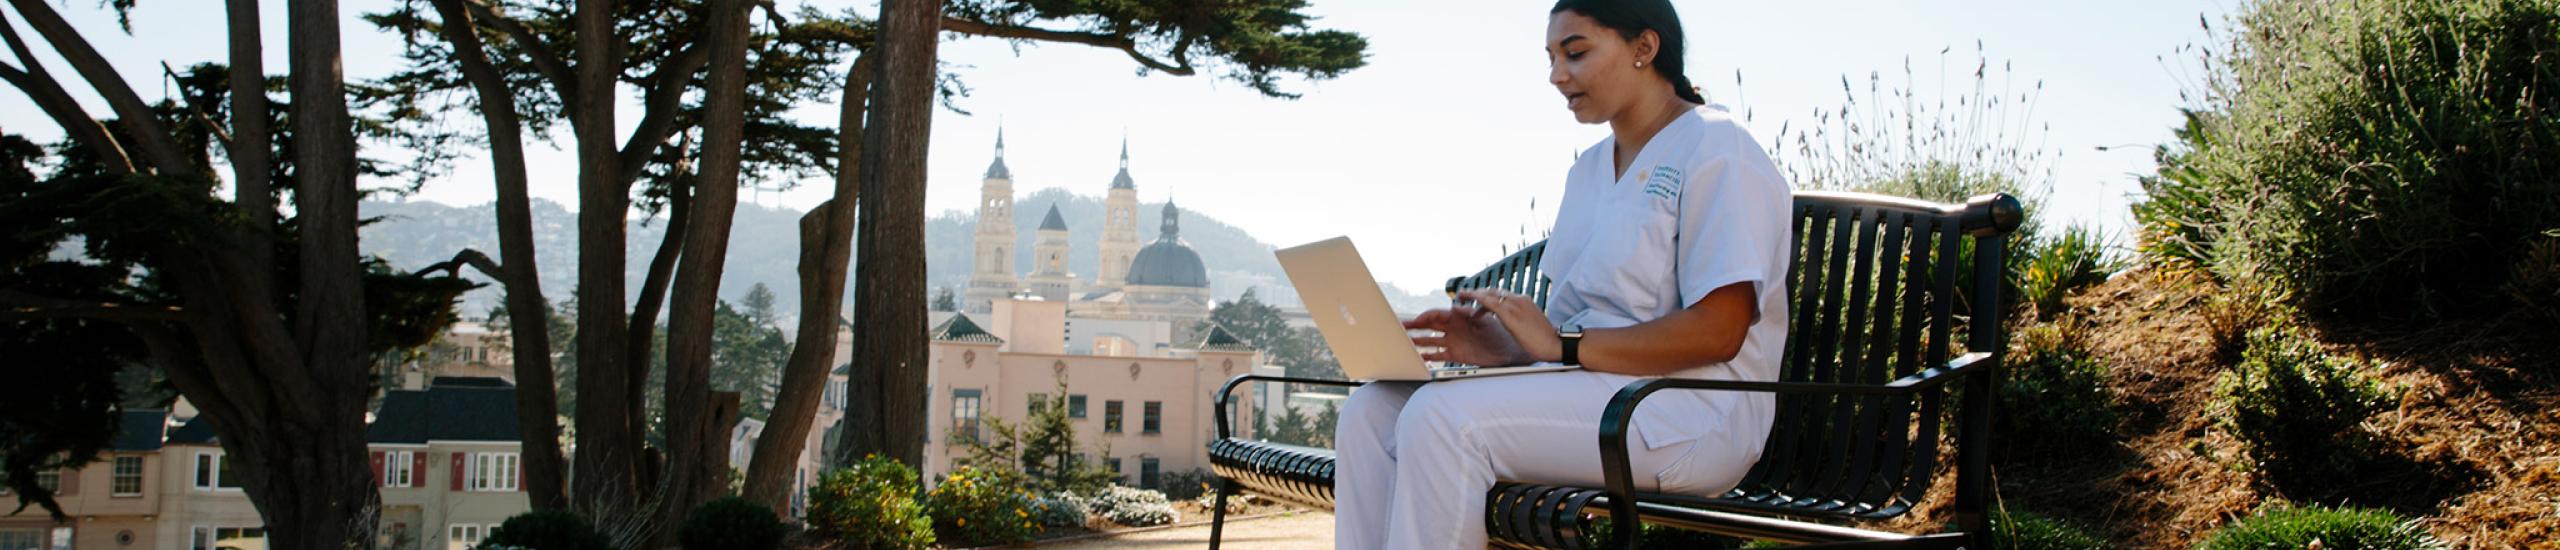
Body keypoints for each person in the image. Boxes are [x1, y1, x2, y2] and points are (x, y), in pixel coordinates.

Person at [1330, 1, 1794, 548]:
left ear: (1645, 48)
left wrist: (1562, 346)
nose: (1556, 76)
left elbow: (1720, 331)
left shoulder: (1718, 147)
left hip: (1689, 411)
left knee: (1444, 420)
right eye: (1551, 58)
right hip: (1594, 395)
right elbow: (1576, 327)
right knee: (1371, 411)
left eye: (1575, 53)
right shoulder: (1589, 169)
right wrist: (1505, 347)